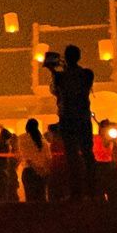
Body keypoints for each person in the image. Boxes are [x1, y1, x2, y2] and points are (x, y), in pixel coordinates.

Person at [46, 46, 96, 199]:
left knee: (72, 156)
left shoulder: (61, 76)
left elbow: (56, 91)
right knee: (88, 154)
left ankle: (77, 192)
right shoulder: (87, 74)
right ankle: (93, 191)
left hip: (68, 118)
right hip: (83, 118)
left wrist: (53, 71)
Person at [18, 116, 51, 201]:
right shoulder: (43, 141)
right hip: (42, 173)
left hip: (29, 173)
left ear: (26, 128)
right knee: (41, 198)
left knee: (30, 199)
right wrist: (43, 171)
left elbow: (27, 158)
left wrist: (35, 168)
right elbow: (48, 158)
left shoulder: (22, 139)